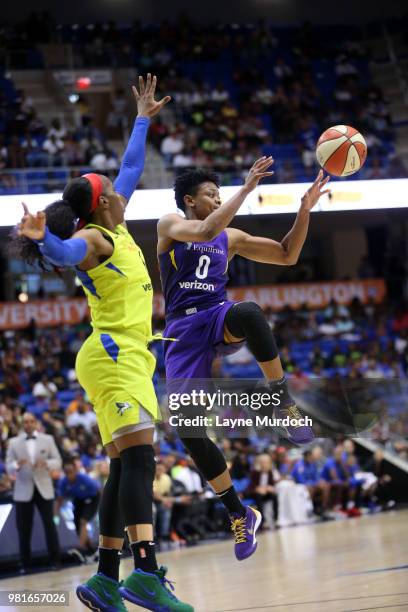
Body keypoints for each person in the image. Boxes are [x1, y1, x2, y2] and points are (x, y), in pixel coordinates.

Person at [10, 74, 193, 612]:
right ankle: (147, 573)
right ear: (102, 204)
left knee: (124, 466)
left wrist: (142, 118)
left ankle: (106, 580)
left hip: (121, 356)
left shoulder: (112, 220)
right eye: (109, 187)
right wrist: (47, 238)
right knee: (141, 465)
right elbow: (67, 255)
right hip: (114, 357)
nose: (119, 186)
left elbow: (132, 167)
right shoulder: (93, 238)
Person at [157, 165, 329, 560]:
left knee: (250, 311)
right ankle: (239, 513)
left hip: (217, 317)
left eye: (220, 194)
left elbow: (287, 255)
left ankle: (284, 405)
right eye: (211, 195)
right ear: (189, 201)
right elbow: (202, 231)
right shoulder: (170, 225)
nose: (218, 200)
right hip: (182, 333)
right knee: (190, 429)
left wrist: (304, 211)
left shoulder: (230, 237)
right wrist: (247, 188)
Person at [5, 412, 62, 573]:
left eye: (31, 421)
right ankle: (25, 564)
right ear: (23, 424)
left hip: (44, 487)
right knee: (23, 529)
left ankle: (56, 561)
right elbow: (8, 464)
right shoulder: (14, 442)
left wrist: (47, 463)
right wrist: (17, 464)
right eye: (25, 422)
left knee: (50, 526)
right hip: (23, 489)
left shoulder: (48, 439)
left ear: (36, 423)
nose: (28, 424)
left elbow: (58, 461)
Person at [55, 458, 101, 561]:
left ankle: (80, 548)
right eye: (66, 473)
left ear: (75, 470)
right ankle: (90, 548)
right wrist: (55, 515)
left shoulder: (84, 479)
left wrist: (105, 505)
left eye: (70, 472)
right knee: (77, 525)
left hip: (93, 498)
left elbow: (99, 490)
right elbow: (59, 499)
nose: (69, 475)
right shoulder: (63, 482)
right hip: (79, 500)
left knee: (83, 521)